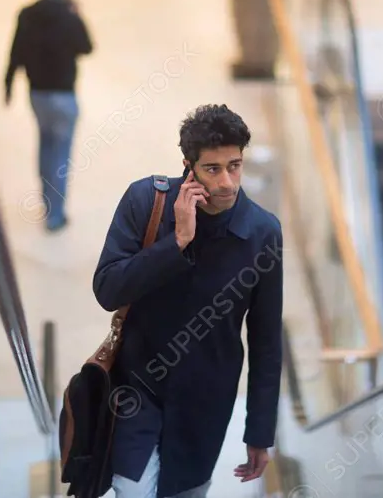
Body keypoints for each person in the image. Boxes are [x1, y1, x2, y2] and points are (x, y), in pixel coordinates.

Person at [93, 104, 284, 498]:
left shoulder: (263, 233)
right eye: (213, 169)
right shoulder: (146, 201)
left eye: (235, 165)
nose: (228, 182)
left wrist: (259, 431)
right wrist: (176, 242)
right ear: (188, 167)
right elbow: (108, 289)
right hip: (137, 390)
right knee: (132, 490)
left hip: (206, 401)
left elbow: (266, 340)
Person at [4, 0, 93, 232]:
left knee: (45, 144)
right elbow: (87, 46)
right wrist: (77, 15)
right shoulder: (68, 14)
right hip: (64, 94)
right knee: (61, 152)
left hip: (37, 93)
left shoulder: (27, 13)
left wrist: (7, 84)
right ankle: (55, 214)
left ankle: (46, 201)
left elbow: (15, 51)